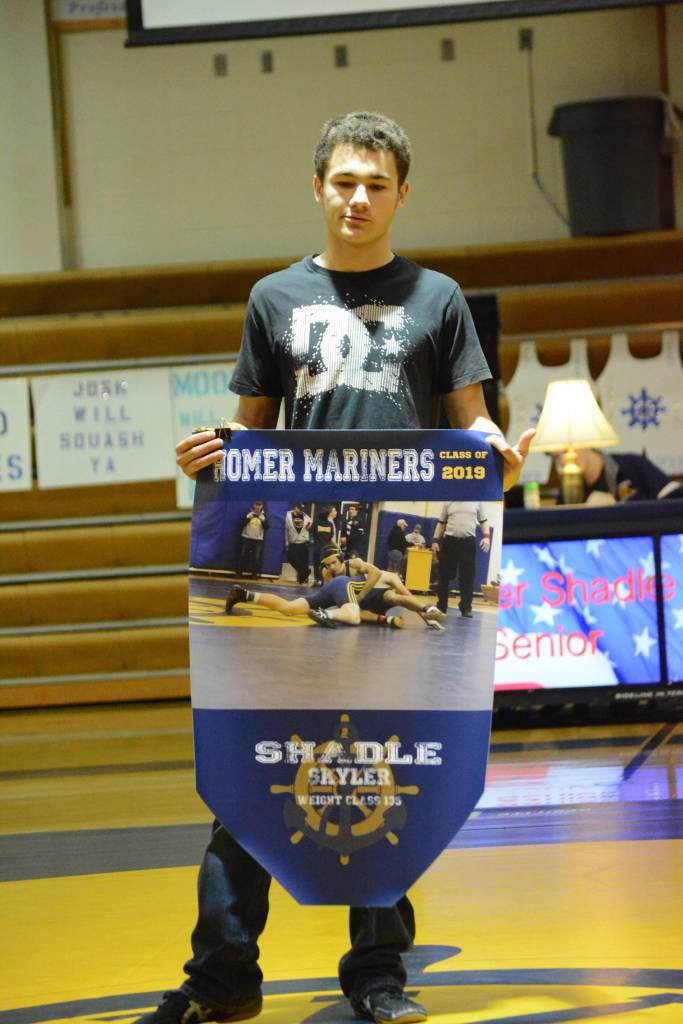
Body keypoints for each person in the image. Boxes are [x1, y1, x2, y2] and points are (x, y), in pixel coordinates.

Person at [165, 110, 533, 1024]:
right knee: (253, 765)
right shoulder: (273, 298)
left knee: (381, 774)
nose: (358, 197)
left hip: (382, 555)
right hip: (302, 544)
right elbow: (249, 432)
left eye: (376, 183)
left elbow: (471, 420)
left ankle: (377, 975)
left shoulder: (439, 298)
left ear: (401, 193)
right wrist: (208, 459)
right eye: (343, 181)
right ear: (318, 188)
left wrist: (495, 457)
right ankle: (222, 975)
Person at [225, 544, 443, 630]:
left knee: (289, 608)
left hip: (343, 594)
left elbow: (405, 597)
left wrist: (424, 613)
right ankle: (324, 614)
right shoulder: (342, 574)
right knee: (354, 617)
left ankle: (245, 594)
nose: (331, 567)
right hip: (344, 591)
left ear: (340, 558)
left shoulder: (382, 577)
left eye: (333, 563)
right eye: (327, 564)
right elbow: (403, 597)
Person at [555, 448, 683, 504]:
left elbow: (676, 500)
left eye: (566, 451)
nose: (562, 460)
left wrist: (616, 511)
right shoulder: (566, 490)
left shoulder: (633, 465)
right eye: (555, 456)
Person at [431, 502, 491, 618]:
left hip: (468, 543)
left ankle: (466, 608)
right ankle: (441, 606)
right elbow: (441, 523)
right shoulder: (448, 501)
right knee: (444, 576)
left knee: (468, 577)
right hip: (449, 542)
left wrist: (487, 537)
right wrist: (435, 540)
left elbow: (484, 521)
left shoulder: (477, 501)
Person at [237, 500, 267, 577]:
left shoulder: (264, 515)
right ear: (254, 505)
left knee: (256, 557)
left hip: (258, 539)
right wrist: (248, 518)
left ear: (261, 506)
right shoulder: (249, 514)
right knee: (243, 555)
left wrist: (263, 521)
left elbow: (267, 527)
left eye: (259, 505)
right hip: (246, 537)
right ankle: (239, 573)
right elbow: (241, 524)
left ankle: (254, 574)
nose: (257, 507)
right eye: (256, 505)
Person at [284, 502, 312, 583]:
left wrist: (308, 526)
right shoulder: (288, 515)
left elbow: (309, 526)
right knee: (291, 559)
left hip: (303, 542)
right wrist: (286, 541)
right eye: (300, 509)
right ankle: (305, 572)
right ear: (295, 508)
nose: (301, 511)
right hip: (293, 542)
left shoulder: (306, 516)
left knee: (304, 562)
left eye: (302, 510)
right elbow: (286, 529)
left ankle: (302, 579)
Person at [312, 504, 339, 583]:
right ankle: (322, 580)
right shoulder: (329, 524)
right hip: (326, 548)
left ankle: (318, 580)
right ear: (328, 514)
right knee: (324, 565)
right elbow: (331, 536)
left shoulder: (316, 523)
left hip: (319, 548)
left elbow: (312, 533)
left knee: (318, 564)